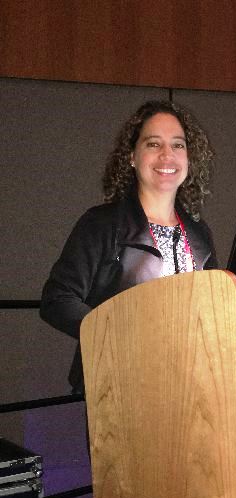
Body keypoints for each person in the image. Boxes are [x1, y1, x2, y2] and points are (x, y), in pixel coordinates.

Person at [40, 99, 218, 393]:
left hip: (188, 388)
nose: (167, 155)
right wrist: (119, 332)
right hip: (118, 385)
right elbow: (57, 300)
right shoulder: (102, 224)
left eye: (178, 145)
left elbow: (213, 311)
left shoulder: (199, 235)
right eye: (153, 144)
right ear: (132, 157)